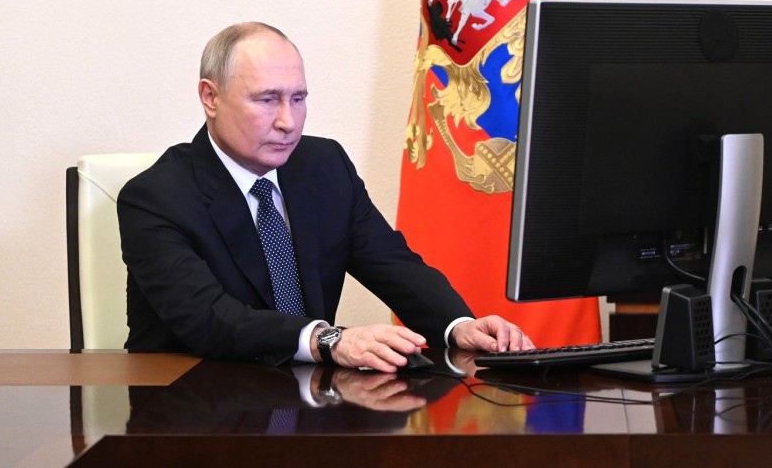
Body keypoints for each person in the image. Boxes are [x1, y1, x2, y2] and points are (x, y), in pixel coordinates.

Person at [118, 22, 534, 372]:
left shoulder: (324, 165)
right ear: (210, 97)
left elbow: (391, 262)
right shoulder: (154, 198)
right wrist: (329, 339)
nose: (287, 121)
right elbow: (209, 319)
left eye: (298, 99)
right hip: (196, 407)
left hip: (310, 398)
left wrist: (457, 324)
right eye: (267, 100)